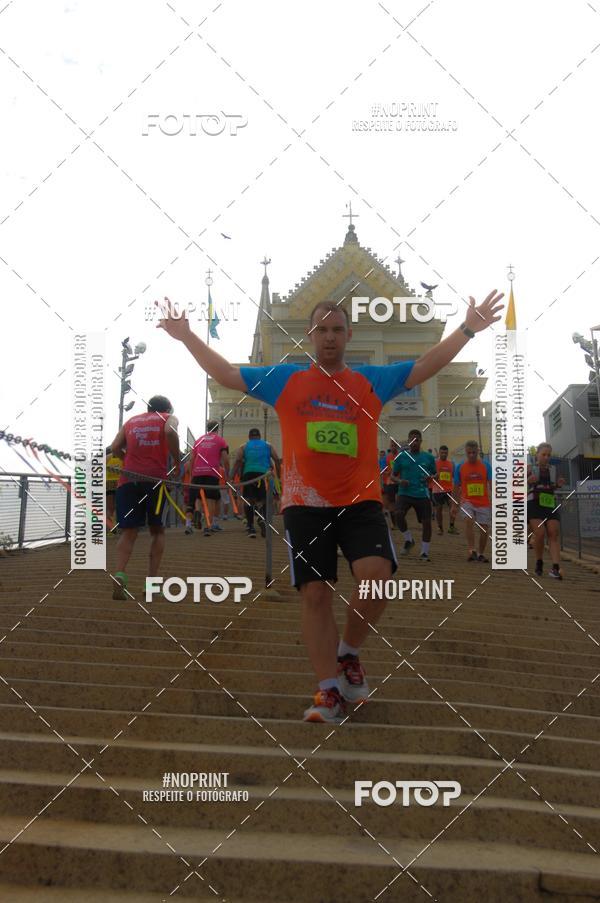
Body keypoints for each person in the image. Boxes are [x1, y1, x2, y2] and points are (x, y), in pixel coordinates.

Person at [157, 289, 503, 722]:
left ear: (348, 335)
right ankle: (328, 691)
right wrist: (187, 336)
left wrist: (468, 329)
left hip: (360, 502)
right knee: (316, 593)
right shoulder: (286, 380)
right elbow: (226, 373)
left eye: (337, 329)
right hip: (305, 505)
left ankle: (348, 652)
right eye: (322, 330)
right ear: (310, 336)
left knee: (377, 580)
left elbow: (424, 366)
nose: (330, 337)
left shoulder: (370, 381)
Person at [109, 396, 180, 600]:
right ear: (168, 408)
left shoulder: (131, 421)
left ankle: (120, 574)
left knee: (128, 531)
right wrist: (176, 461)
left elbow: (115, 447)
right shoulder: (168, 418)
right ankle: (151, 584)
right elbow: (169, 432)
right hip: (155, 480)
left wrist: (128, 461)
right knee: (157, 531)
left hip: (128, 480)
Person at [391, 430, 436, 561]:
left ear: (421, 441)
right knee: (398, 514)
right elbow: (393, 476)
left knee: (427, 522)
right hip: (405, 493)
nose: (414, 442)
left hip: (422, 494)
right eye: (411, 440)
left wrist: (431, 477)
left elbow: (435, 474)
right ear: (408, 441)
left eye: (416, 440)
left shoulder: (428, 457)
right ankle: (409, 539)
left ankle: (424, 552)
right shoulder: (401, 457)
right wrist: (400, 481)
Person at [232, 428, 281, 538]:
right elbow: (277, 459)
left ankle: (251, 528)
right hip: (263, 474)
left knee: (248, 500)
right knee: (264, 500)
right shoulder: (268, 445)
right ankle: (262, 520)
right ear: (259, 436)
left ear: (249, 437)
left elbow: (238, 461)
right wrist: (279, 475)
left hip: (249, 474)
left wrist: (230, 477)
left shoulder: (244, 446)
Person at [527, 442, 565, 579]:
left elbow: (553, 486)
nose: (546, 457)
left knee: (553, 533)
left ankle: (555, 567)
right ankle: (539, 562)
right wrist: (527, 480)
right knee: (540, 533)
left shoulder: (553, 469)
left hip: (549, 503)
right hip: (534, 503)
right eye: (543, 454)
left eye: (548, 455)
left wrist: (558, 485)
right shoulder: (529, 468)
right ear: (537, 454)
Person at [187, 421, 229, 537]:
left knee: (198, 497)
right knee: (211, 499)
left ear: (207, 428)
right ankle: (208, 526)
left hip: (197, 473)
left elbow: (191, 459)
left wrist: (191, 475)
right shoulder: (220, 441)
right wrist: (227, 475)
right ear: (217, 429)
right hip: (212, 473)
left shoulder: (198, 440)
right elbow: (225, 460)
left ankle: (197, 512)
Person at [455, 440, 492, 562]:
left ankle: (481, 553)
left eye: (474, 453)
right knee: (469, 520)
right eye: (469, 453)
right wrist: (454, 505)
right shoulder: (460, 467)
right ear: (466, 452)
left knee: (484, 529)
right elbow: (456, 486)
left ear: (478, 451)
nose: (471, 455)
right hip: (467, 501)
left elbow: (492, 484)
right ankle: (472, 550)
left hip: (483, 502)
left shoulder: (486, 466)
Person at [432, 444, 458, 535]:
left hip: (449, 490)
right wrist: (434, 476)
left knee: (453, 508)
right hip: (437, 490)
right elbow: (430, 475)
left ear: (447, 453)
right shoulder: (434, 463)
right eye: (442, 453)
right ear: (439, 453)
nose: (444, 454)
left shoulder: (451, 463)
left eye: (445, 453)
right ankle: (440, 528)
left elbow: (454, 476)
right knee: (439, 509)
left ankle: (451, 526)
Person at [381, 441, 399, 530]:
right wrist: (387, 473)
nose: (393, 447)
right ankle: (394, 524)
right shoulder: (386, 458)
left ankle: (399, 521)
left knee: (399, 503)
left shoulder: (401, 457)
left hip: (400, 482)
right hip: (390, 483)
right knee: (392, 503)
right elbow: (383, 471)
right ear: (390, 447)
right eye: (392, 446)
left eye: (395, 446)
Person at [105, 445, 123, 532]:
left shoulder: (122, 457)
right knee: (112, 508)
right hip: (111, 485)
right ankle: (112, 528)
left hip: (117, 484)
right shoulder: (107, 458)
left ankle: (114, 528)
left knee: (113, 508)